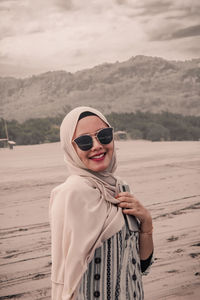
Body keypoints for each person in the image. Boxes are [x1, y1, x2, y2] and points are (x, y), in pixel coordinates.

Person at [49, 106, 154, 300]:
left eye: (104, 135)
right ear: (70, 149)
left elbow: (141, 266)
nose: (96, 145)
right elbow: (65, 277)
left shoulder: (121, 188)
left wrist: (146, 224)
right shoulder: (71, 194)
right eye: (84, 141)